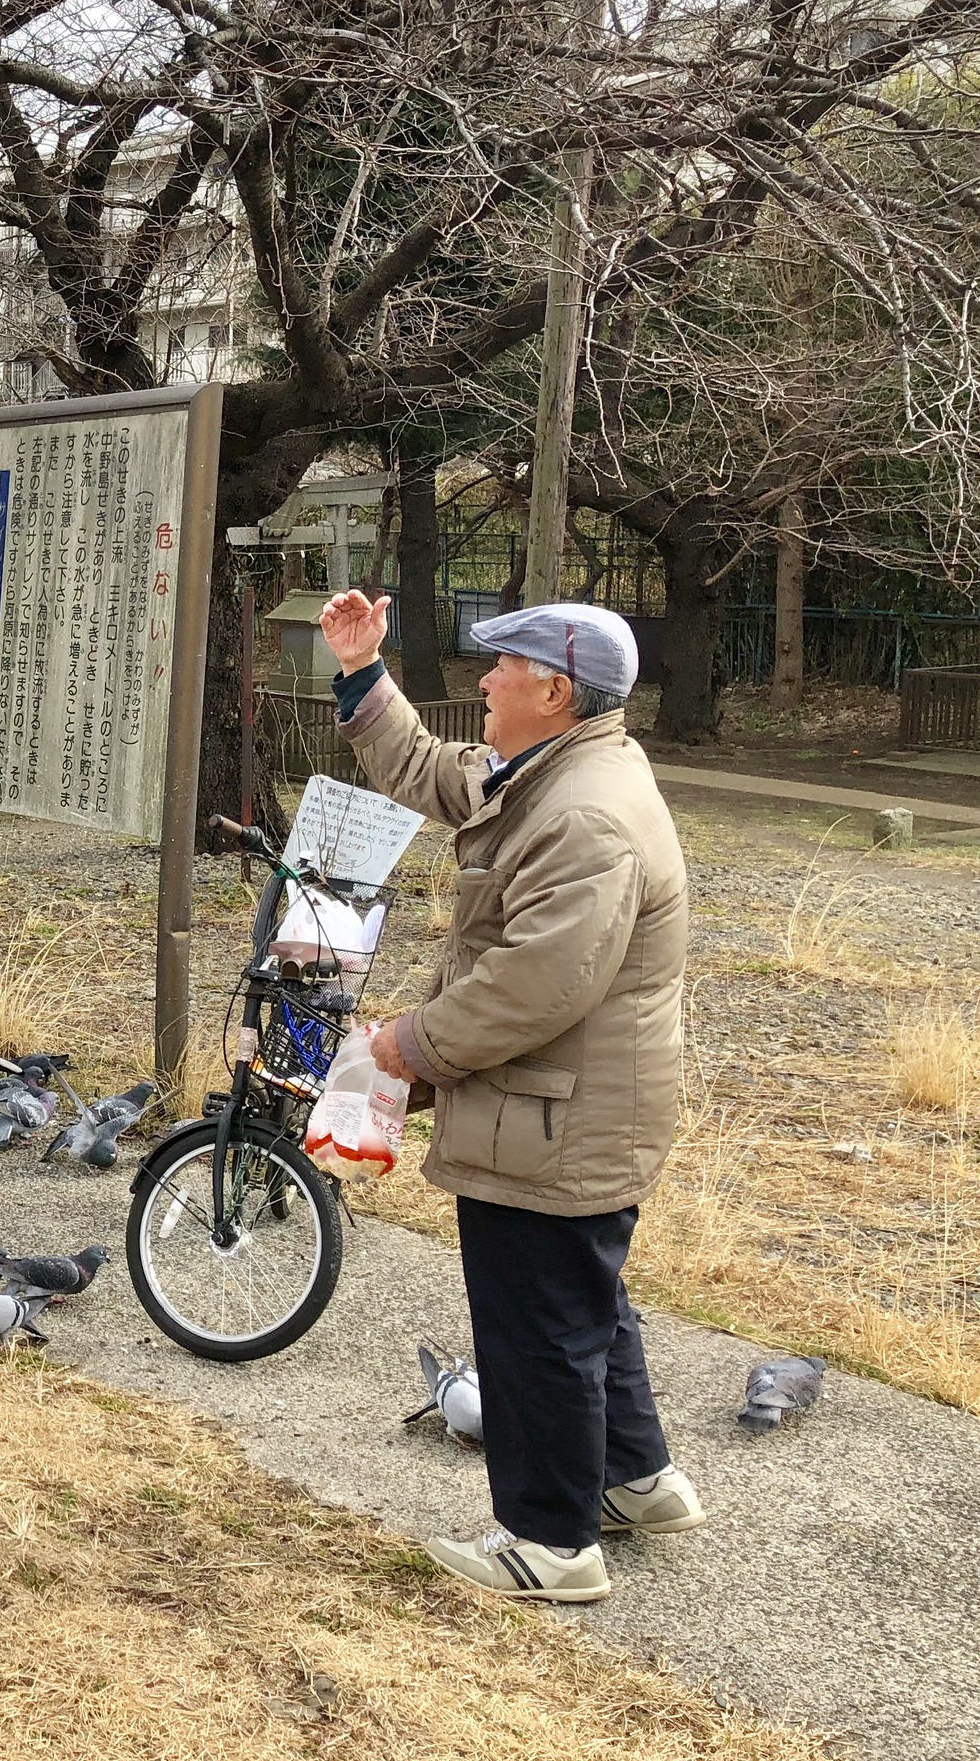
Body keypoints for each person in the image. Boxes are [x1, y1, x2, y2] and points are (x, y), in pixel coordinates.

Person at [319, 588, 701, 1603]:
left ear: (555, 689)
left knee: (535, 1325)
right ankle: (635, 1480)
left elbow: (538, 981)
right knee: (580, 1305)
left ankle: (548, 1544)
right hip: (567, 1107)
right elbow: (432, 772)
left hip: (558, 1114)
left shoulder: (584, 816)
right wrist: (362, 671)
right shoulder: (548, 771)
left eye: (500, 668)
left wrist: (409, 1045)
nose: (482, 681)